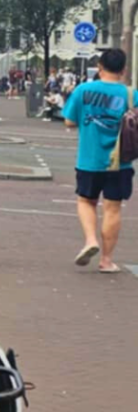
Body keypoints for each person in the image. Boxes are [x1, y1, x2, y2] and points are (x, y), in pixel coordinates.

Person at [62, 47, 135, 272]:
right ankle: (106, 260)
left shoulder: (84, 90)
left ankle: (90, 240)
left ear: (100, 67)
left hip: (89, 159)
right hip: (120, 162)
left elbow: (69, 121)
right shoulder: (131, 95)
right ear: (123, 70)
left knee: (86, 201)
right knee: (113, 208)